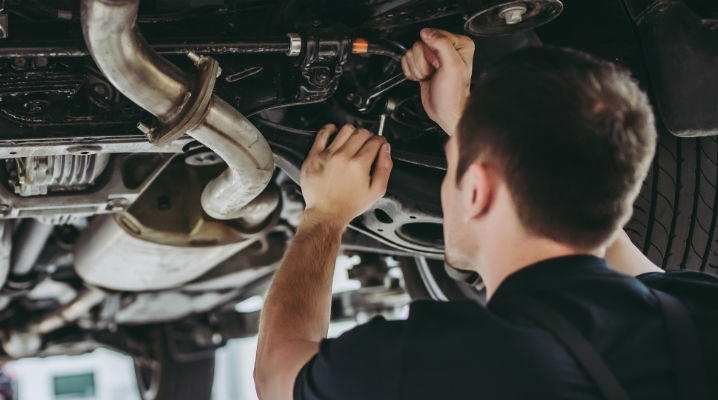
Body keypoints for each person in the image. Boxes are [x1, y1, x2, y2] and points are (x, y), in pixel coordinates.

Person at [253, 28, 717, 400]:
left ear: (476, 189)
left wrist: (326, 214)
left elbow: (278, 377)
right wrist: (466, 121)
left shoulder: (441, 360)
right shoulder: (699, 314)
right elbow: (614, 246)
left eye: (452, 166)